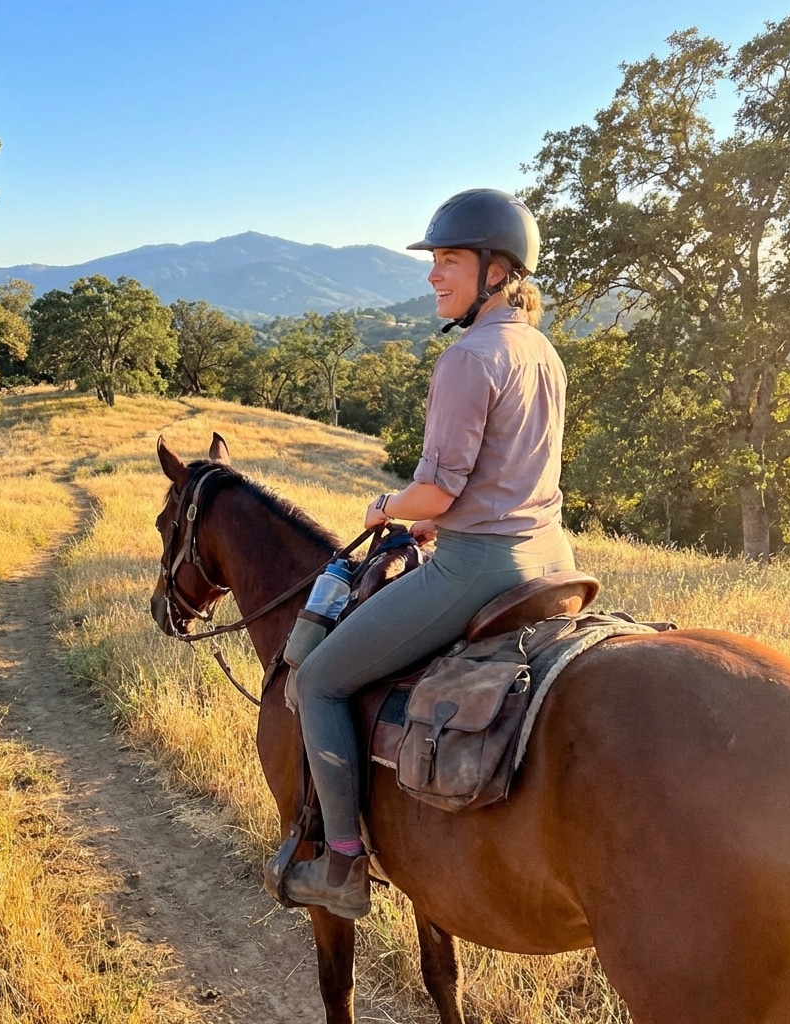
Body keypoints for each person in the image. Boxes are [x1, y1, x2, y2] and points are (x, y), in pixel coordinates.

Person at [281, 188, 577, 920]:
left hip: (480, 568)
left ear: (497, 270)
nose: (433, 276)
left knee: (318, 681)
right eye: (436, 260)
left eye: (448, 260)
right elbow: (505, 474)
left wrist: (387, 509)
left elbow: (438, 490)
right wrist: (441, 520)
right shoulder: (541, 350)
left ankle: (343, 867)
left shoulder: (468, 357)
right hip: (553, 559)